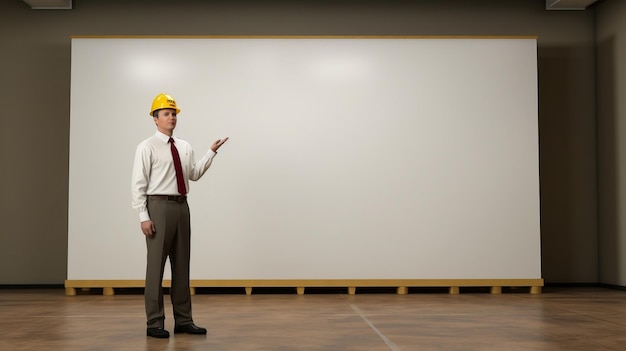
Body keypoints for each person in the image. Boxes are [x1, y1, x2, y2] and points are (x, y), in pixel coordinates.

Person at [131, 93, 228, 338]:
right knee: (155, 268)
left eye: (174, 113)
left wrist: (210, 153)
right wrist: (143, 215)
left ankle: (184, 320)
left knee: (182, 265)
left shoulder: (184, 147)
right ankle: (154, 323)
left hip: (182, 207)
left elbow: (192, 174)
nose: (172, 117)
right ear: (155, 119)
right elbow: (138, 184)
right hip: (158, 207)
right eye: (166, 113)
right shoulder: (146, 147)